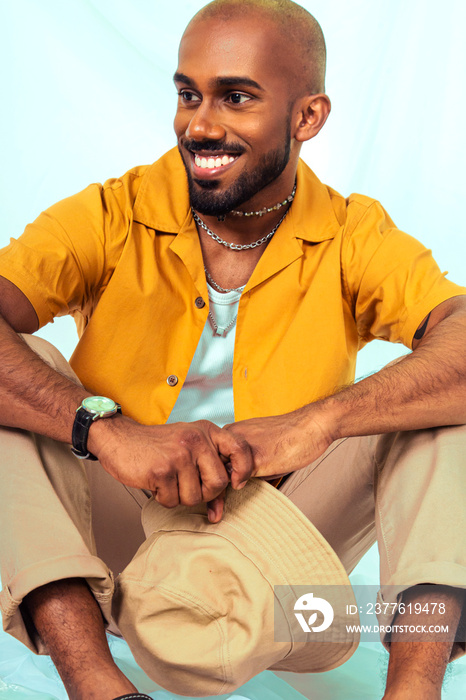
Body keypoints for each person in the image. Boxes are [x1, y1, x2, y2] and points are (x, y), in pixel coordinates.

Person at [0, 0, 465, 698]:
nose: (200, 125)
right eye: (188, 94)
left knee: (438, 397)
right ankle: (96, 685)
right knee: (23, 373)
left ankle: (413, 689)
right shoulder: (111, 213)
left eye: (236, 98)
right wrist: (108, 432)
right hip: (119, 580)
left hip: (291, 594)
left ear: (307, 117)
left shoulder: (352, 235)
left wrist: (314, 425)